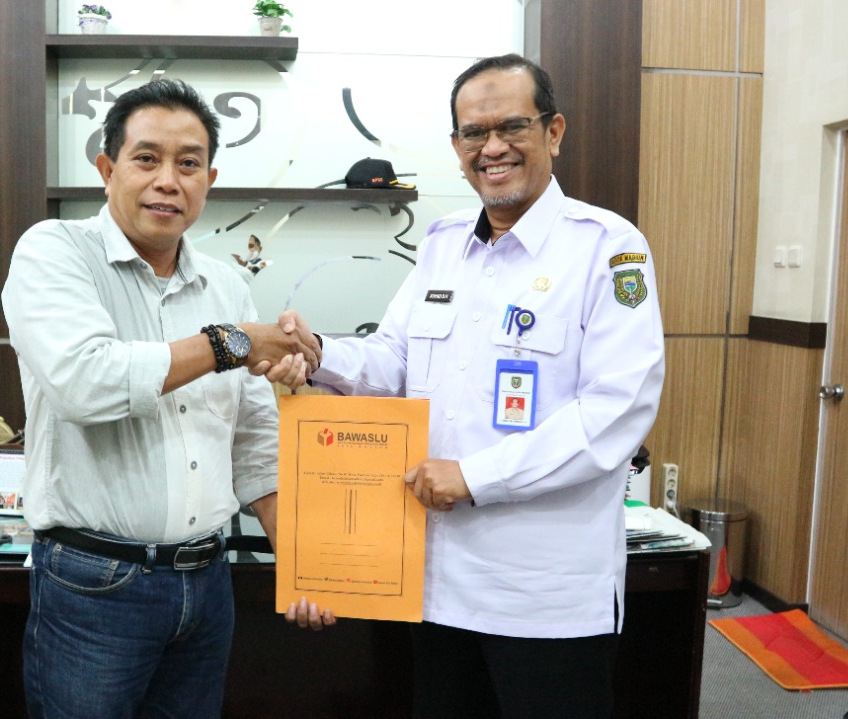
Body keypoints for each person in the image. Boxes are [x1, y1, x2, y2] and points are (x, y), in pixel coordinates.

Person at [274, 54, 665, 718]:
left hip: (544, 599)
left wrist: (476, 476)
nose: (492, 147)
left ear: (553, 131)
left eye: (512, 126)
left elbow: (616, 409)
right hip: (436, 586)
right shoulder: (444, 242)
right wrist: (318, 355)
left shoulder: (607, 247)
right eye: (473, 133)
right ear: (456, 146)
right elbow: (395, 359)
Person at [1, 79, 314, 719]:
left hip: (209, 582)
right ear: (107, 169)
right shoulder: (54, 251)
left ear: (209, 180)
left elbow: (254, 437)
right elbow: (85, 382)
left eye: (188, 164)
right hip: (95, 584)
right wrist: (228, 343)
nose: (168, 181)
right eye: (147, 159)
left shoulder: (226, 284)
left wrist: (300, 557)